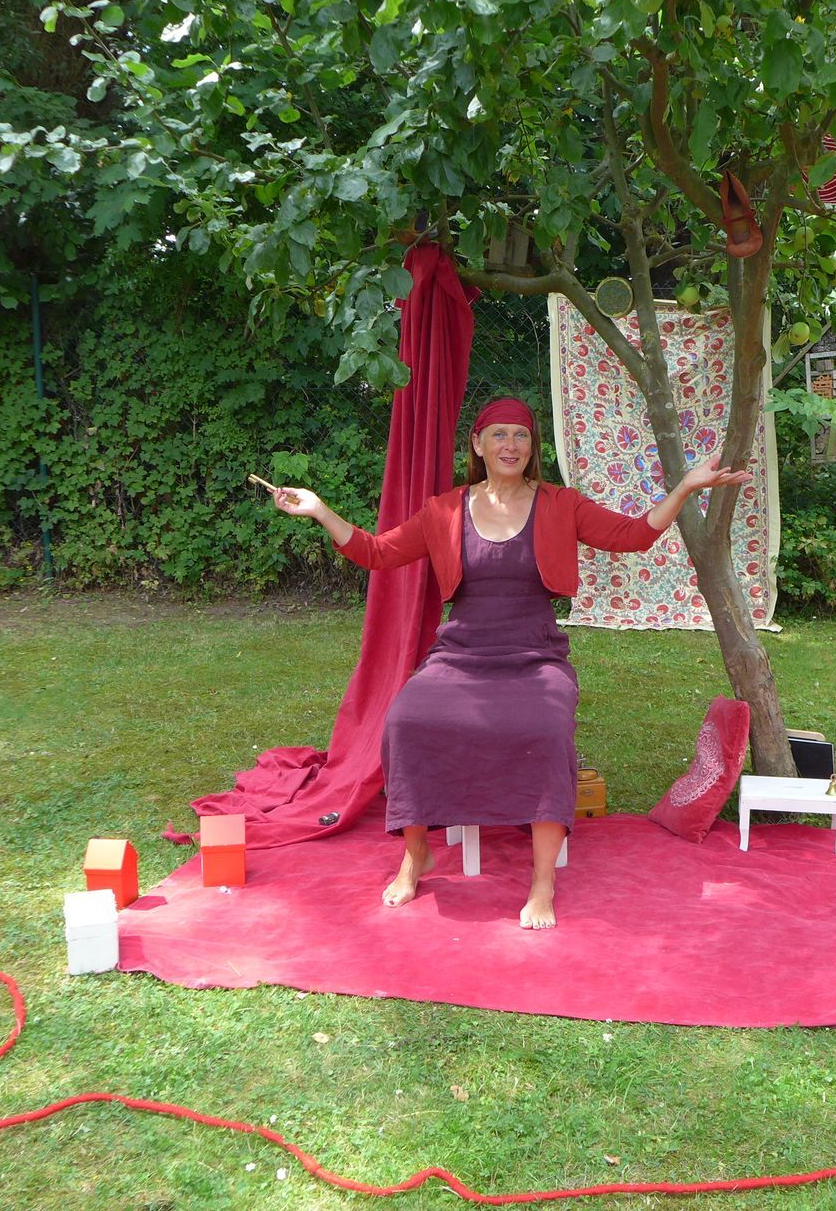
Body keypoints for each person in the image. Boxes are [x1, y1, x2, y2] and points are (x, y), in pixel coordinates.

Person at [272, 395, 751, 929]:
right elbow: (377, 552)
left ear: (532, 447)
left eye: (520, 436)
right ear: (477, 444)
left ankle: (542, 879)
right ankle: (416, 854)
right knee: (407, 720)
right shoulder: (445, 509)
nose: (510, 445)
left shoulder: (559, 504)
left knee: (546, 727)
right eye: (498, 435)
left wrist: (685, 486)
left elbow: (632, 535)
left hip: (535, 653)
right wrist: (318, 510)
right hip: (461, 653)